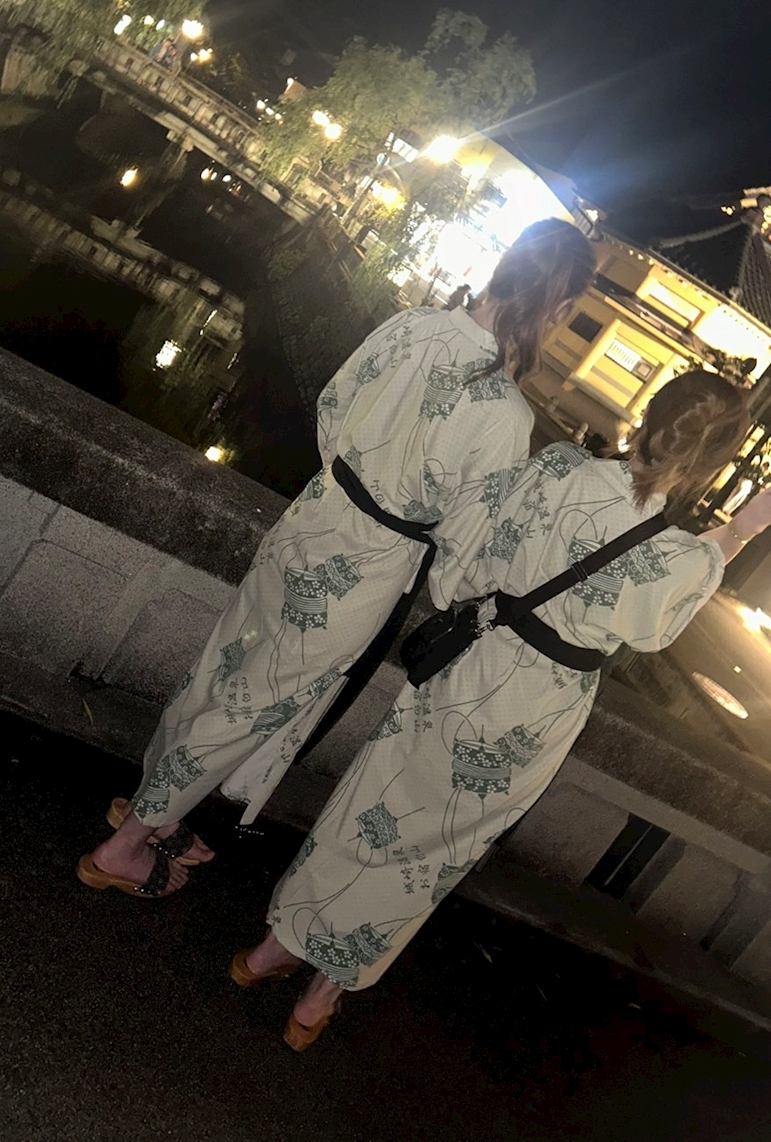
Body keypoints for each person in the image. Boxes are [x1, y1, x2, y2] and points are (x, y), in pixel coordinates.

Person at [238, 368, 770, 1050]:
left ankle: (273, 949)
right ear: (707, 465)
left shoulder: (557, 467)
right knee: (434, 848)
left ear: (648, 415)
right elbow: (664, 612)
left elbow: (472, 544)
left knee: (375, 795)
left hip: (478, 654)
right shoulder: (677, 559)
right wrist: (743, 528)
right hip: (538, 708)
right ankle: (319, 997)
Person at [77, 219, 595, 900]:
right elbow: (464, 547)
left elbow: (332, 406)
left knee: (224, 664)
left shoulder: (412, 325)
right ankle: (124, 846)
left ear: (504, 265)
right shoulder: (505, 415)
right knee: (255, 703)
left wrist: (353, 480)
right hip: (369, 565)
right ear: (557, 309)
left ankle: (153, 804)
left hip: (316, 513)